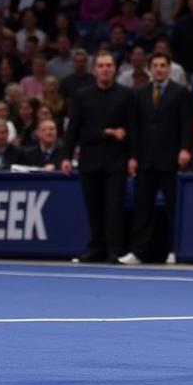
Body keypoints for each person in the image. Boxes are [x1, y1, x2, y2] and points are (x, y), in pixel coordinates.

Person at [61, 51, 137, 264]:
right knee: (93, 207)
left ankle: (115, 250)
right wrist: (66, 156)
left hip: (117, 160)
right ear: (95, 70)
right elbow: (74, 130)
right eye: (101, 66)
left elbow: (134, 129)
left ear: (114, 69)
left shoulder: (126, 95)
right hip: (90, 160)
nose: (105, 69)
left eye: (109, 65)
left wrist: (133, 157)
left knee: (114, 206)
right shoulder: (82, 95)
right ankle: (95, 248)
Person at [119, 51, 192, 266]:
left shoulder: (181, 93)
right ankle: (138, 252)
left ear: (169, 69)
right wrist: (132, 156)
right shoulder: (139, 94)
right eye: (156, 66)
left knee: (172, 207)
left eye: (163, 65)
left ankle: (174, 250)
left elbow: (186, 124)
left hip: (170, 158)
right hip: (145, 159)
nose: (159, 69)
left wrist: (185, 149)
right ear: (150, 69)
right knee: (143, 209)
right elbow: (134, 127)